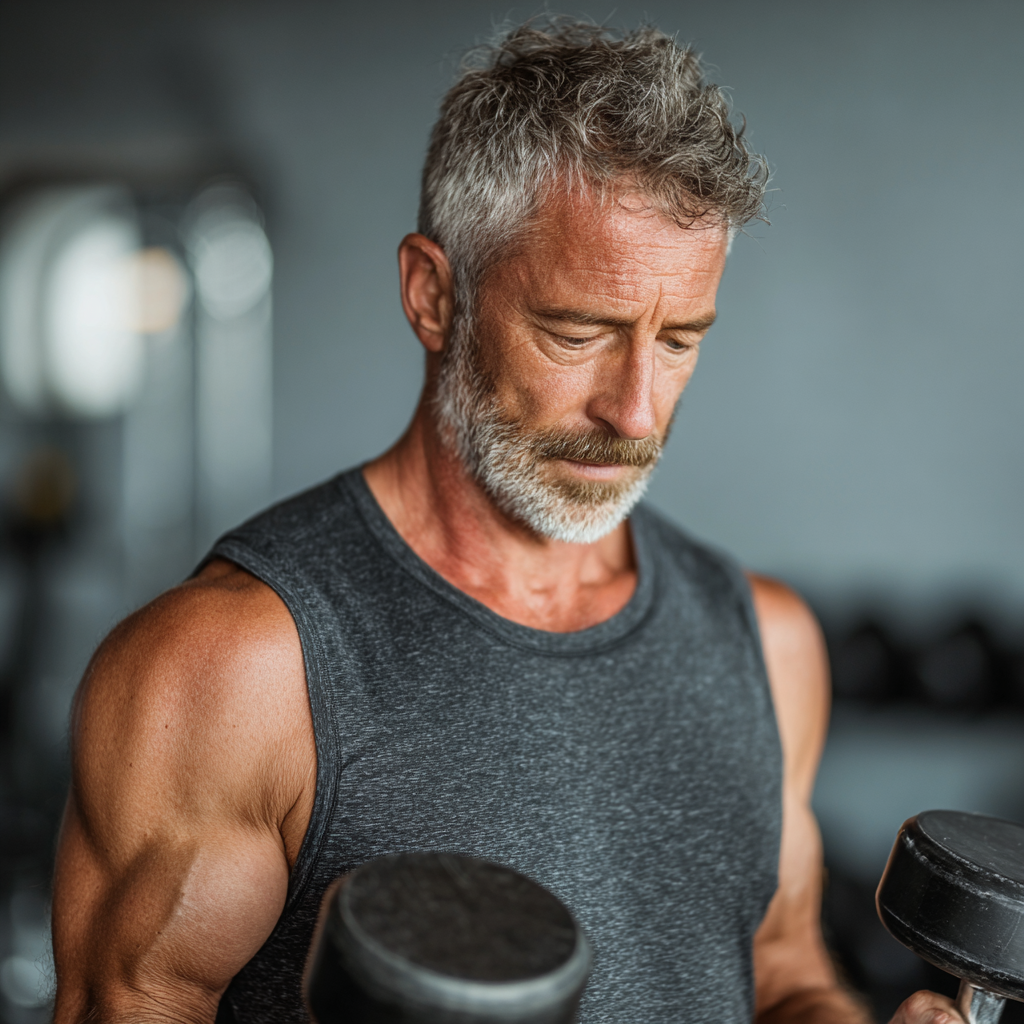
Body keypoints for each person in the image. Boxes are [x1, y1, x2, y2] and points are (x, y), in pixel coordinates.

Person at [52, 19, 962, 1024]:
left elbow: (782, 972)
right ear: (433, 294)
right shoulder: (230, 669)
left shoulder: (765, 645)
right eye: (578, 333)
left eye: (679, 340)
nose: (636, 410)